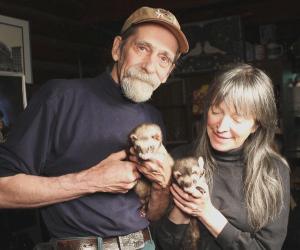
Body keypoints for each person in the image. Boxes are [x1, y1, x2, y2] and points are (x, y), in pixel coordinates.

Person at [0, 6, 189, 250]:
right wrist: (92, 181)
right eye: (142, 48)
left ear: (168, 73)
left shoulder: (152, 118)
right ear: (117, 49)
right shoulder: (59, 97)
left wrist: (163, 185)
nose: (150, 66)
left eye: (163, 58)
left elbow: (152, 215)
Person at [153, 64, 290, 250]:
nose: (222, 126)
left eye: (237, 118)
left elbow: (267, 247)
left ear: (255, 125)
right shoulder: (180, 159)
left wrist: (206, 212)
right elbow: (163, 244)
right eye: (216, 111)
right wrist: (182, 207)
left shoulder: (274, 171)